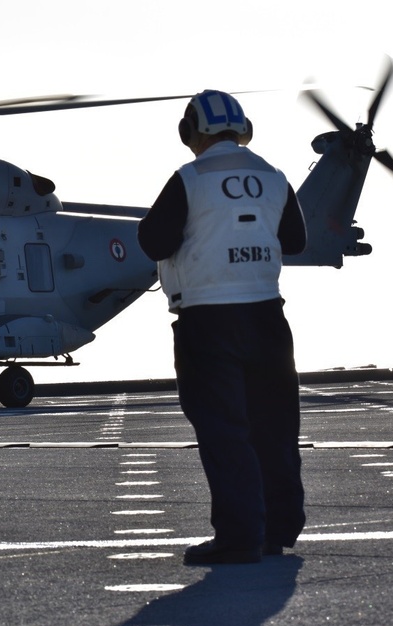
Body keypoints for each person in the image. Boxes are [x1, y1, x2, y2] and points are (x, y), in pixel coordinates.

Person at [137, 90, 307, 565]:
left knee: (223, 429)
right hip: (268, 317)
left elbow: (153, 241)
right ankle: (276, 529)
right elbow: (294, 239)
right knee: (274, 427)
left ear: (189, 132)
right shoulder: (274, 178)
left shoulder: (189, 179)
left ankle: (238, 538)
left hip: (208, 321)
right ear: (243, 129)